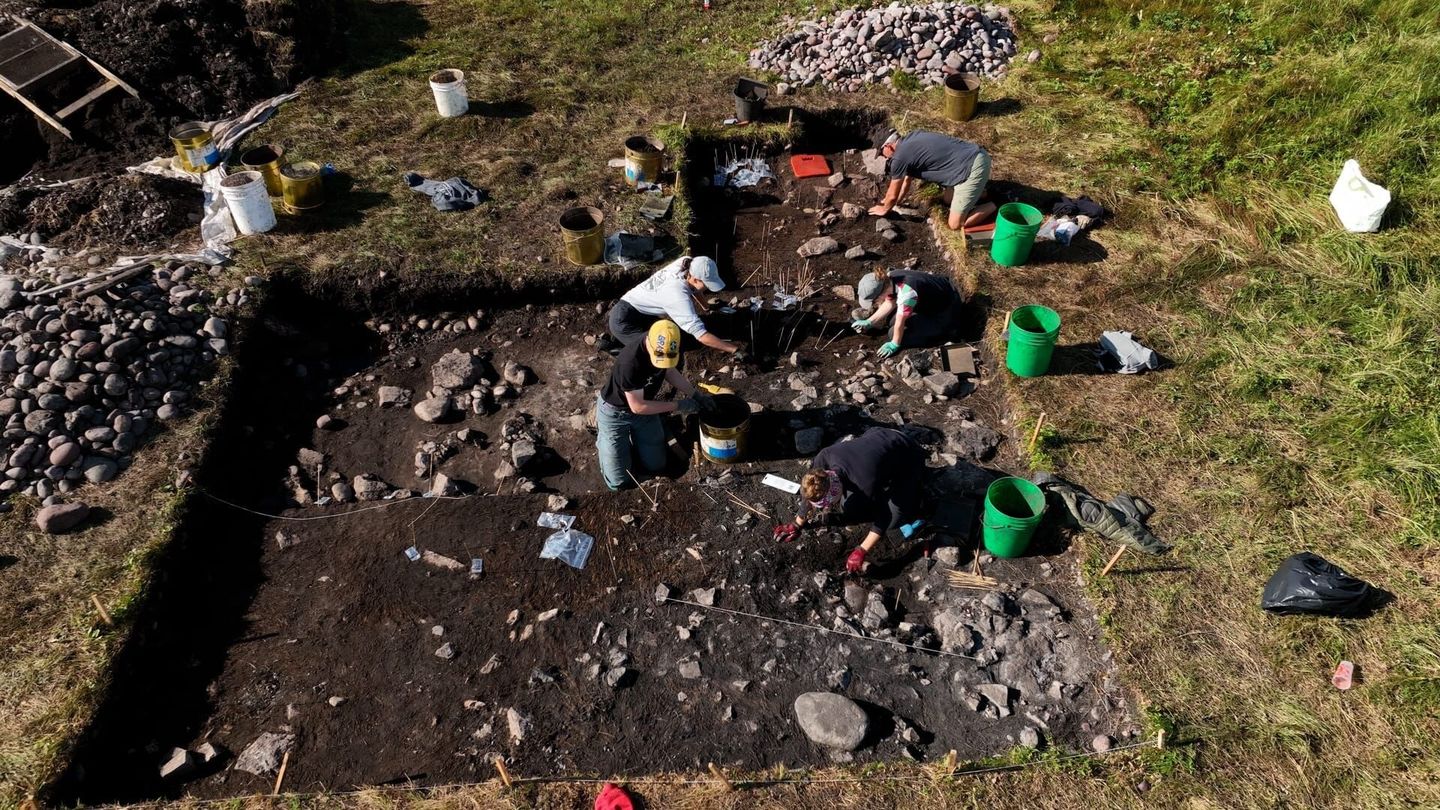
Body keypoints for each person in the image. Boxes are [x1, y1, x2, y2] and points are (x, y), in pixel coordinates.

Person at [771, 427, 928, 573]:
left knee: (894, 519)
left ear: (836, 490)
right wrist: (796, 524)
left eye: (828, 504)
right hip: (877, 436)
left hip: (908, 453)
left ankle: (920, 501)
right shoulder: (821, 462)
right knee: (850, 507)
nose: (827, 507)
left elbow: (884, 517)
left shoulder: (866, 481)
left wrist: (861, 550)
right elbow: (809, 495)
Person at [595, 320, 713, 490]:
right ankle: (606, 441)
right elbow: (638, 407)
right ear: (648, 343)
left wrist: (696, 394)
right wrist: (679, 405)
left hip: (644, 411)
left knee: (657, 465)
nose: (662, 362)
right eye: (659, 358)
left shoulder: (667, 345)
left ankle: (633, 443)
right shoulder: (630, 361)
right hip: (616, 414)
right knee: (619, 481)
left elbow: (670, 371)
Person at [602, 255, 747, 360]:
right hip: (624, 321)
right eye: (707, 284)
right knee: (660, 354)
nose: (708, 287)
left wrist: (706, 307)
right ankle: (615, 349)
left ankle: (623, 340)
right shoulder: (677, 296)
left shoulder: (686, 262)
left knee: (666, 335)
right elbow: (700, 335)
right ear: (695, 279)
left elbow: (694, 289)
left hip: (639, 311)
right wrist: (734, 349)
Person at [868, 129, 996, 231]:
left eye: (881, 152)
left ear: (888, 146)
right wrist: (897, 203)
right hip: (972, 156)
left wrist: (885, 209)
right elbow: (906, 181)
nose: (884, 157)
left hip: (971, 169)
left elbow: (892, 195)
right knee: (947, 200)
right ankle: (982, 193)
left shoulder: (899, 158)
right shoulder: (912, 138)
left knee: (955, 224)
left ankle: (995, 204)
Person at [850, 267, 963, 357]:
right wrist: (869, 321)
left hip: (946, 312)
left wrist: (894, 344)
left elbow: (900, 322)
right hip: (938, 296)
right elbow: (890, 302)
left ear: (881, 294)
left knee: (895, 334)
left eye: (875, 300)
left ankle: (945, 335)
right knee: (890, 321)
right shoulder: (891, 278)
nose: (875, 303)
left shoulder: (907, 293)